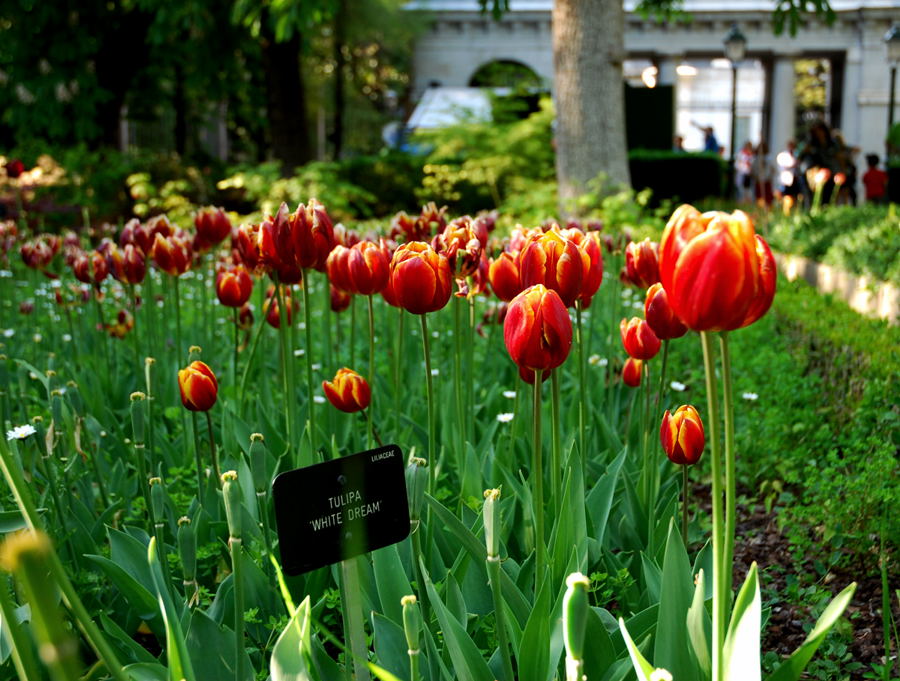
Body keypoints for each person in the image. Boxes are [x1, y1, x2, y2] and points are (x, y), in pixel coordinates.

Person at [751, 141, 775, 208]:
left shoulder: (769, 158)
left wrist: (769, 177)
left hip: (766, 180)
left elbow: (772, 170)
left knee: (767, 198)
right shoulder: (756, 159)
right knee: (759, 198)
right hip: (759, 180)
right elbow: (753, 170)